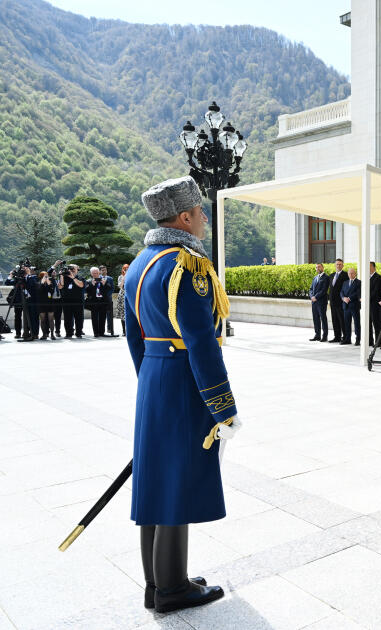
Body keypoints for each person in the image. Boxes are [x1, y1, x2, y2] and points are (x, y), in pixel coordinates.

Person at [124, 175, 238, 614]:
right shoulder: (186, 266)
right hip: (183, 382)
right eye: (201, 213)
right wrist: (223, 406)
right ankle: (172, 590)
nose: (205, 219)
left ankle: (158, 582)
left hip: (154, 381)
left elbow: (134, 337)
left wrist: (151, 384)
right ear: (185, 217)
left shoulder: (139, 264)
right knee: (179, 478)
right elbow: (202, 343)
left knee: (156, 479)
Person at [59, 264, 86, 338]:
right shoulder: (65, 277)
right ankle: (69, 333)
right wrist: (61, 276)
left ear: (77, 270)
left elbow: (81, 285)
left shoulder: (80, 277)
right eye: (70, 268)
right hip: (66, 301)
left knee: (79, 318)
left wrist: (73, 278)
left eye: (73, 269)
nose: (71, 270)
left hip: (78, 301)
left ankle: (78, 333)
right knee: (67, 318)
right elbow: (60, 286)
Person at [87, 267, 113, 337]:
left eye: (97, 273)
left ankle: (102, 332)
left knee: (102, 317)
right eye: (94, 273)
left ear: (99, 273)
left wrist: (104, 284)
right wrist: (91, 285)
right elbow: (87, 291)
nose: (95, 274)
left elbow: (109, 288)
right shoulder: (89, 281)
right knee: (94, 317)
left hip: (103, 301)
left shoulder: (104, 280)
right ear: (91, 274)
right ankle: (96, 333)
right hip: (94, 301)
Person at [5, 269, 28, 339]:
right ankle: (18, 333)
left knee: (24, 317)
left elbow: (7, 282)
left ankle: (25, 332)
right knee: (18, 317)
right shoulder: (17, 280)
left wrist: (11, 275)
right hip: (19, 301)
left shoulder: (25, 279)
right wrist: (11, 276)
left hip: (25, 300)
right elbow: (7, 283)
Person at [340, 267, 361, 346]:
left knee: (356, 323)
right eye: (349, 273)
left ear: (355, 273)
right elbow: (341, 291)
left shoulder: (358, 282)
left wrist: (349, 298)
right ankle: (347, 339)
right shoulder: (345, 282)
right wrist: (343, 298)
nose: (350, 274)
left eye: (352, 273)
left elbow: (358, 293)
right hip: (346, 305)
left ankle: (358, 339)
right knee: (347, 323)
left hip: (354, 306)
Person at [309, 263, 329, 342]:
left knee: (323, 318)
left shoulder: (326, 277)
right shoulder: (315, 278)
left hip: (321, 302)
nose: (317, 268)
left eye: (319, 267)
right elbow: (310, 289)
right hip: (314, 302)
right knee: (315, 318)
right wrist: (311, 296)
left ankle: (324, 336)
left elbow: (324, 290)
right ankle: (317, 335)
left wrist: (315, 297)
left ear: (323, 268)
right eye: (316, 267)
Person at [328, 258, 346, 343]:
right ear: (335, 265)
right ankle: (337, 336)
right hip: (332, 302)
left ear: (342, 265)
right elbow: (331, 289)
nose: (338, 266)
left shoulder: (345, 275)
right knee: (334, 320)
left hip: (340, 302)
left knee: (342, 320)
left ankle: (345, 337)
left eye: (340, 264)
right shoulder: (331, 275)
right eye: (337, 264)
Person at [36, 271, 57, 340]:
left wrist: (49, 284)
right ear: (41, 276)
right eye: (45, 276)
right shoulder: (38, 282)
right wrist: (42, 282)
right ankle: (44, 334)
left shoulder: (50, 282)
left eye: (47, 276)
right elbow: (39, 291)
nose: (46, 277)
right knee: (42, 320)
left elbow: (52, 291)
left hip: (50, 303)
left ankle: (52, 334)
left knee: (51, 319)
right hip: (41, 303)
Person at [21, 266, 40, 342]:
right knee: (26, 317)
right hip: (25, 300)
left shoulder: (34, 278)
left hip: (33, 301)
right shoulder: (23, 278)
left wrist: (29, 275)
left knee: (34, 317)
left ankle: (35, 333)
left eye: (29, 269)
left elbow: (34, 285)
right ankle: (26, 332)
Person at [368, 262, 381, 347]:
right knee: (368, 323)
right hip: (368, 304)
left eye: (369, 266)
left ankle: (378, 342)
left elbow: (376, 291)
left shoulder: (378, 277)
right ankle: (370, 341)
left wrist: (367, 298)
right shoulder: (367, 277)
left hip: (374, 304)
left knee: (376, 324)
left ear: (373, 267)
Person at [99, 265, 117, 336]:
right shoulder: (98, 278)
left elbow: (112, 288)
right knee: (100, 315)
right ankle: (100, 329)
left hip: (108, 299)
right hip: (100, 299)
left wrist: (108, 295)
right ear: (100, 271)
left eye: (105, 270)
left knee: (109, 314)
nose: (104, 271)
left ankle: (110, 328)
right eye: (102, 270)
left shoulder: (110, 278)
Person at [115, 263, 129, 336]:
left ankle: (129, 330)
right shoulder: (120, 277)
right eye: (125, 269)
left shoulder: (132, 276)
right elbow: (120, 286)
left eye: (128, 269)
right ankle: (124, 331)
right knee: (122, 314)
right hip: (122, 295)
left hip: (130, 295)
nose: (127, 270)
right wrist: (124, 277)